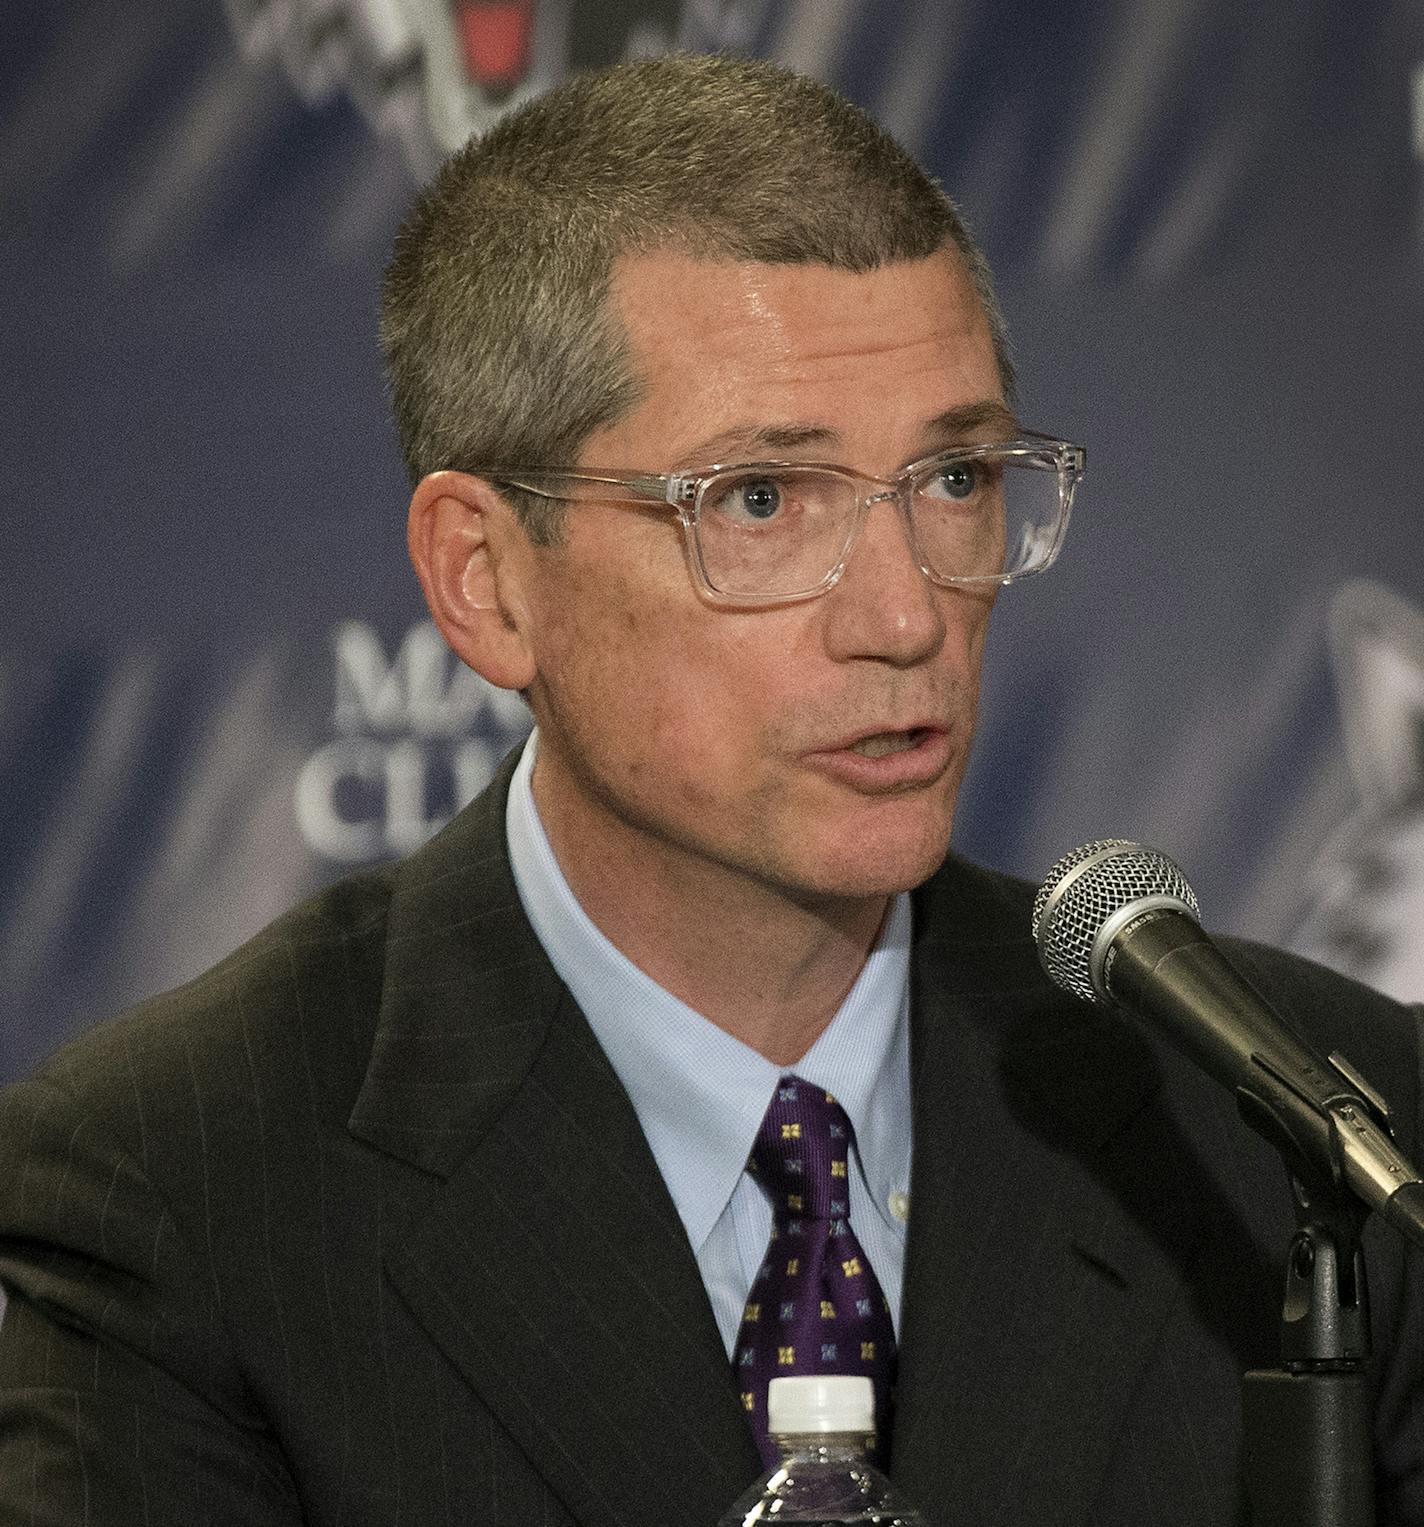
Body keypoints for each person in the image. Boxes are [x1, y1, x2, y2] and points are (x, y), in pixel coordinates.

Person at [1, 50, 1421, 1527]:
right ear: (486, 584)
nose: (908, 615)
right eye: (759, 500)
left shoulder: (1318, 1143)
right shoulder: (180, 1192)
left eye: (954, 481)